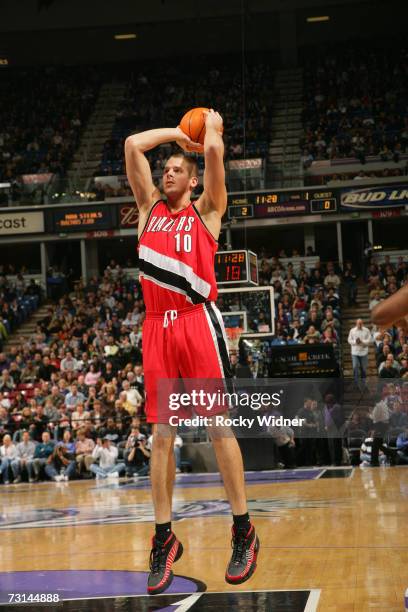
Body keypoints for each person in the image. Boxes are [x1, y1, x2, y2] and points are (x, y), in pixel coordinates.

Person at [125, 109, 259, 594]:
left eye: (178, 168)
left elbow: (218, 153)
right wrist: (180, 135)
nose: (168, 172)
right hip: (156, 326)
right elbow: (132, 145)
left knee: (218, 427)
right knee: (161, 435)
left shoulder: (208, 211)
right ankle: (164, 540)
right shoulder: (148, 210)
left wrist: (212, 133)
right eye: (166, 169)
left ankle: (243, 529)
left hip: (196, 320)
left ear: (195, 177)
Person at [347, 319, 371, 390]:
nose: (360, 325)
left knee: (363, 369)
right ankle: (356, 383)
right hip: (355, 352)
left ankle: (363, 383)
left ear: (362, 323)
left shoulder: (366, 330)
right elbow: (349, 340)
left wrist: (362, 341)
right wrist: (355, 342)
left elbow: (369, 340)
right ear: (356, 323)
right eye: (358, 323)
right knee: (355, 367)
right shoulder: (352, 330)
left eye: (361, 323)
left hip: (364, 352)